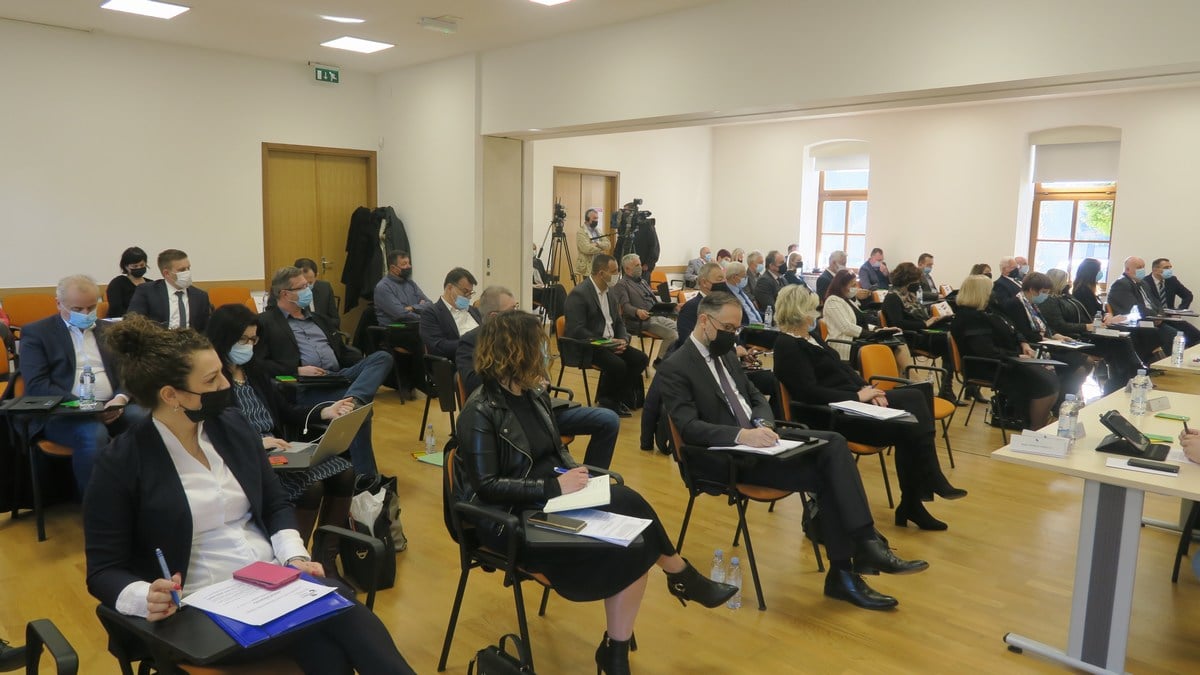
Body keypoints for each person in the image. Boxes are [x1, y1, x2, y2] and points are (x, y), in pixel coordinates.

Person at [85, 316, 414, 674]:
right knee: (341, 620)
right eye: (211, 380)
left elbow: (275, 503)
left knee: (330, 645)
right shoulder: (122, 462)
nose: (225, 384)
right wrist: (143, 596)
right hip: (198, 607)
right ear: (171, 395)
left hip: (271, 583)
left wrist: (293, 556)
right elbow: (103, 569)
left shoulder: (230, 427)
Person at [454, 310, 736, 673]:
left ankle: (622, 644)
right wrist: (553, 486)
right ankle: (677, 581)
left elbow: (551, 453)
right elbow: (487, 487)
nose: (545, 353)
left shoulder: (533, 396)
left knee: (630, 504)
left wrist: (571, 476)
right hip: (513, 518)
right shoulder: (479, 410)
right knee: (634, 543)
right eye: (537, 346)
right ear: (515, 351)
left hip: (554, 497)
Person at [658, 291, 929, 610]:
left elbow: (755, 396)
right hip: (725, 455)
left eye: (736, 329)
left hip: (761, 441)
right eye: (728, 328)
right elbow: (689, 427)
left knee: (833, 444)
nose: (733, 335)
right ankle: (852, 563)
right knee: (828, 472)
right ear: (704, 321)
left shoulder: (726, 354)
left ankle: (860, 552)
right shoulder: (676, 366)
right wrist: (743, 435)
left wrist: (763, 424)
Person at [773, 285, 964, 530]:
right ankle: (924, 488)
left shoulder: (811, 338)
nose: (816, 313)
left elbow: (842, 369)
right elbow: (808, 392)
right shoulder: (787, 345)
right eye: (812, 309)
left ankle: (914, 501)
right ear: (799, 312)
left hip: (853, 404)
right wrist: (857, 396)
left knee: (917, 407)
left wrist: (866, 388)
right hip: (832, 416)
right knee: (915, 406)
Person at [206, 304, 357, 547]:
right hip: (247, 455)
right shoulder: (212, 381)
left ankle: (326, 555)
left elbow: (286, 411)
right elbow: (214, 431)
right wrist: (257, 442)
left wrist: (325, 411)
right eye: (242, 339)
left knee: (346, 473)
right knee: (311, 487)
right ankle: (295, 557)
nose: (248, 346)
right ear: (224, 338)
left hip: (278, 449)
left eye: (253, 340)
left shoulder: (254, 372)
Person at [458, 286, 621, 469]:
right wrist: (515, 380)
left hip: (538, 406)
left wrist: (540, 383)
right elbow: (472, 383)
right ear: (495, 317)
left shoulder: (522, 336)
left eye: (516, 307)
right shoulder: (470, 341)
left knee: (608, 419)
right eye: (512, 310)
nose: (517, 313)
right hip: (507, 416)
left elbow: (540, 374)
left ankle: (593, 479)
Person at [256, 266, 393, 476]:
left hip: (338, 377)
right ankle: (366, 478)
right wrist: (297, 369)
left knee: (382, 357)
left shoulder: (319, 319)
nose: (309, 290)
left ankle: (355, 398)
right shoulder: (266, 322)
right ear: (285, 294)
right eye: (302, 287)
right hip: (306, 386)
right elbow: (259, 363)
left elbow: (343, 352)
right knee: (359, 411)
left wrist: (363, 367)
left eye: (308, 285)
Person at [20, 275, 146, 495]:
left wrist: (120, 398)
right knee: (93, 433)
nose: (86, 314)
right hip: (64, 413)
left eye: (91, 307)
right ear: (59, 304)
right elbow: (37, 385)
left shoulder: (110, 330)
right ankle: (97, 506)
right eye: (77, 309)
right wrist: (89, 408)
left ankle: (149, 496)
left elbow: (129, 372)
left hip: (113, 407)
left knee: (146, 420)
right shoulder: (37, 333)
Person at [951, 275, 1059, 429]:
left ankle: (1038, 425)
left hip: (1003, 359)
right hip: (986, 365)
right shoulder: (969, 317)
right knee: (1044, 383)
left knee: (1049, 378)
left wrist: (1022, 342)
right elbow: (985, 351)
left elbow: (1013, 328)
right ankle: (1035, 428)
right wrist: (1016, 355)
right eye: (989, 290)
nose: (992, 293)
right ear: (979, 292)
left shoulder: (991, 309)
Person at [563, 254, 649, 417]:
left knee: (641, 359)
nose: (618, 274)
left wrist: (623, 339)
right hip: (590, 345)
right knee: (618, 365)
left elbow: (619, 322)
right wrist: (606, 342)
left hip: (610, 343)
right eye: (614, 271)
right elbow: (576, 330)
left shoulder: (610, 292)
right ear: (601, 273)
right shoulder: (579, 294)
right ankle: (608, 400)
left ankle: (616, 396)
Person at [1042, 268, 1140, 393]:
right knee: (1119, 343)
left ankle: (1126, 377)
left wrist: (1097, 323)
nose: (1068, 283)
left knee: (1122, 337)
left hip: (1086, 332)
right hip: (1075, 337)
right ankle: (1129, 377)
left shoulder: (1067, 297)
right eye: (1065, 280)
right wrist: (1086, 326)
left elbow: (1084, 316)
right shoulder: (1050, 301)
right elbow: (1060, 326)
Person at [1000, 272, 1091, 404]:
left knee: (1086, 362)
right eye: (1044, 292)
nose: (1046, 296)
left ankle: (1062, 399)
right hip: (1035, 347)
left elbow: (1045, 327)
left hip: (1045, 343)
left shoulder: (1032, 305)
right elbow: (1024, 332)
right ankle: (1060, 401)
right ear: (1032, 290)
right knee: (1081, 366)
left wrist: (1058, 336)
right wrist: (1050, 340)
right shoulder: (1015, 304)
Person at [881, 263, 957, 401]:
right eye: (915, 280)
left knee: (951, 335)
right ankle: (947, 389)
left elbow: (921, 318)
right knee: (948, 342)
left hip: (920, 332)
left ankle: (947, 388)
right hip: (910, 337)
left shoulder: (910, 296)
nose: (918, 283)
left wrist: (936, 320)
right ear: (907, 280)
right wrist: (925, 323)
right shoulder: (892, 297)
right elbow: (898, 324)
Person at [822, 269, 910, 369]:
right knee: (890, 346)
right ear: (841, 285)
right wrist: (871, 334)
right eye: (852, 285)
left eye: (856, 285)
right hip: (846, 344)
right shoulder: (833, 301)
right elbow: (847, 328)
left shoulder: (848, 301)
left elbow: (860, 322)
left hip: (858, 339)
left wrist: (879, 329)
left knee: (898, 340)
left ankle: (907, 375)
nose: (856, 288)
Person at [127, 249, 212, 330]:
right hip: (158, 339)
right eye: (182, 270)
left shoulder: (201, 296)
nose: (187, 273)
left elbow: (206, 329)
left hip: (192, 339)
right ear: (166, 273)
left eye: (188, 268)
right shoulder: (147, 291)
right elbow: (133, 322)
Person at [1108, 256, 1179, 354]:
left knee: (1177, 335)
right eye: (1139, 267)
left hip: (1153, 319)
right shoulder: (1121, 284)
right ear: (1127, 269)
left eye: (1143, 267)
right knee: (1170, 336)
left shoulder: (1143, 283)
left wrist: (1160, 315)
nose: (1142, 270)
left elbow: (1156, 302)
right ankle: (1157, 361)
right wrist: (1155, 316)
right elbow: (1135, 308)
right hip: (1138, 323)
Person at [611, 254, 678, 353]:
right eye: (637, 265)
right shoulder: (622, 284)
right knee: (673, 335)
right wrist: (637, 311)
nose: (640, 267)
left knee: (681, 328)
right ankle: (660, 360)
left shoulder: (643, 281)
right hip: (640, 321)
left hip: (656, 316)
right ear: (627, 269)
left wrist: (671, 306)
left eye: (640, 264)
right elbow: (625, 306)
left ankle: (673, 358)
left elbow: (654, 301)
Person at [419, 267, 481, 360]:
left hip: (484, 357)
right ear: (450, 288)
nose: (469, 297)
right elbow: (438, 346)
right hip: (459, 360)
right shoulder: (431, 313)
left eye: (470, 293)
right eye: (465, 292)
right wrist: (472, 342)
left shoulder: (473, 311)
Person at [1146, 258, 1200, 344]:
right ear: (1155, 269)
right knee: (1175, 336)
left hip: (1171, 317)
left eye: (1170, 267)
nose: (1169, 270)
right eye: (1166, 268)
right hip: (1155, 320)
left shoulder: (1172, 280)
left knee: (1196, 336)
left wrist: (1179, 312)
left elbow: (1188, 295)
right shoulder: (1145, 282)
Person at [373, 249, 432, 326]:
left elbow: (429, 304)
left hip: (416, 326)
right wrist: (424, 317)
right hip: (395, 330)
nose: (409, 266)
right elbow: (401, 315)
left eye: (409, 263)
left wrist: (412, 308)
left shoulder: (410, 283)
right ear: (393, 268)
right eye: (404, 264)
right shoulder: (383, 287)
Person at [294, 258, 341, 329]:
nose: (306, 287)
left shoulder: (325, 288)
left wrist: (320, 327)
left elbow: (336, 320)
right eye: (302, 283)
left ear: (316, 276)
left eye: (310, 282)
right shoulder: (288, 294)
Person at [105, 246, 151, 319]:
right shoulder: (117, 284)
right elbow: (116, 309)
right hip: (123, 322)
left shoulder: (151, 284)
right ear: (126, 267)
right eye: (135, 266)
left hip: (148, 322)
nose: (139, 268)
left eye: (142, 265)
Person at [532, 243, 567, 322]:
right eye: (532, 249)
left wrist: (548, 282)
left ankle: (561, 316)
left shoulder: (538, 262)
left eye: (534, 249)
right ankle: (558, 317)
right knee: (556, 292)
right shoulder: (524, 264)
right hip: (534, 290)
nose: (533, 251)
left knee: (559, 288)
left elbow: (545, 276)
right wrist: (534, 285)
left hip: (543, 288)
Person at [576, 208, 611, 282]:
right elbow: (586, 249)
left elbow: (608, 245)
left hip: (600, 265)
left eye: (597, 218)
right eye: (594, 218)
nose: (596, 220)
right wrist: (601, 248)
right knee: (589, 287)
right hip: (588, 266)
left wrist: (597, 243)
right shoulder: (581, 232)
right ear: (587, 219)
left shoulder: (598, 230)